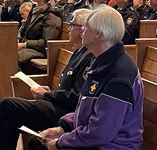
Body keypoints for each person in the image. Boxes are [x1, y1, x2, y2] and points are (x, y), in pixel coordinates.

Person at [29, 6, 144, 150]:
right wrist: (62, 128)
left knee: (39, 145)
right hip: (96, 140)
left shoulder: (118, 76)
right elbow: (87, 109)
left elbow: (100, 133)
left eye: (86, 27)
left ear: (97, 33)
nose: (82, 31)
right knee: (37, 141)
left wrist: (61, 141)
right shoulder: (101, 61)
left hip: (111, 146)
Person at [0, 8, 93, 150]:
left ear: (82, 30)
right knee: (9, 122)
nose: (68, 28)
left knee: (8, 104)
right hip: (59, 104)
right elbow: (67, 87)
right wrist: (51, 92)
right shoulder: (79, 50)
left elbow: (76, 97)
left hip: (67, 113)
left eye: (72, 25)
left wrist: (48, 95)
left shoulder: (90, 56)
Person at [18, 0, 62, 71]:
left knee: (11, 57)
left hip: (40, 51)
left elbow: (47, 42)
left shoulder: (51, 16)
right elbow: (25, 33)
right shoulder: (34, 10)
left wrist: (24, 44)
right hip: (30, 48)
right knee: (5, 51)